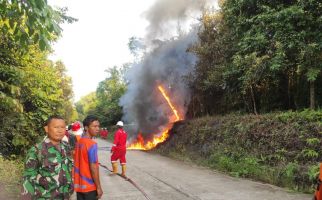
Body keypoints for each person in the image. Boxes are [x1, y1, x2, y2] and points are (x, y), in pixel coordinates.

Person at [22, 115, 73, 199]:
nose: (60, 130)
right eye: (56, 127)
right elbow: (28, 181)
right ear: (46, 129)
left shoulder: (66, 147)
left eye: (63, 127)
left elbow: (69, 171)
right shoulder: (36, 151)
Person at [73, 115, 103, 200]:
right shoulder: (91, 144)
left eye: (98, 126)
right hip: (89, 186)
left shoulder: (79, 142)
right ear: (86, 127)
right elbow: (93, 167)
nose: (97, 129)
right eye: (94, 126)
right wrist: (98, 187)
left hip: (79, 186)